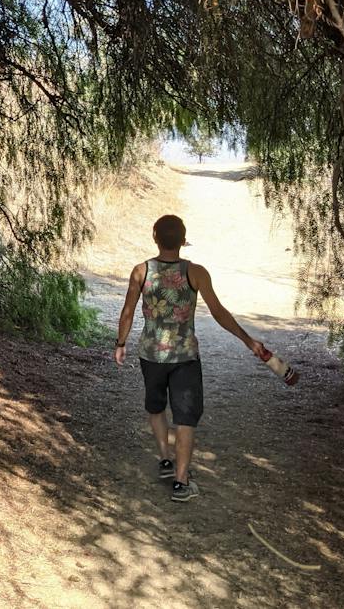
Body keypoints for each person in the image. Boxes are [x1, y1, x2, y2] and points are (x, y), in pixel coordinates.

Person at [114, 214, 269, 502]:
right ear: (183, 240)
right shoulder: (196, 273)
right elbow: (219, 312)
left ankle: (164, 459)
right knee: (186, 419)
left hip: (151, 355)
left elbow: (127, 311)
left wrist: (120, 343)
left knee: (156, 407)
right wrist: (248, 340)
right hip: (185, 356)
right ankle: (181, 482)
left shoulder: (141, 271)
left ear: (155, 238)